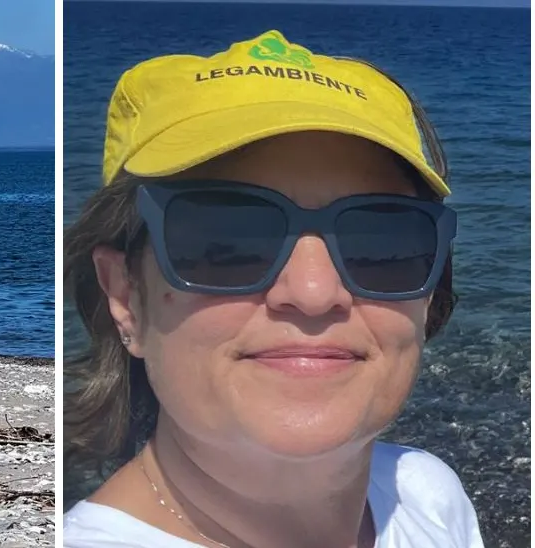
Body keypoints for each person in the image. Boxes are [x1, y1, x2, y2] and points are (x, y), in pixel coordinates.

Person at [62, 31, 482, 548]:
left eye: (381, 241)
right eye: (228, 241)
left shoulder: (427, 495)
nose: (312, 291)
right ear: (125, 299)